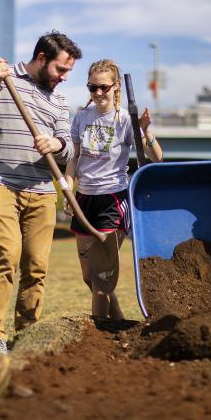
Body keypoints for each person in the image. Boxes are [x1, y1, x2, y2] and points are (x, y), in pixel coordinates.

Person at [0, 31, 82, 355]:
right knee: (7, 253)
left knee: (36, 264)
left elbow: (67, 149)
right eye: (61, 69)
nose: (65, 78)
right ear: (42, 58)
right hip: (0, 182)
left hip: (41, 190)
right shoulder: (1, 77)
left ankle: (27, 331)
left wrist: (56, 145)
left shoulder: (58, 100)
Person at [64, 59, 163, 320]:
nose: (98, 93)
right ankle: (117, 323)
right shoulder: (82, 117)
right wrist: (68, 186)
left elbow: (157, 157)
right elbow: (74, 158)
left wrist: (145, 130)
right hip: (84, 200)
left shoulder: (125, 120)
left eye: (104, 88)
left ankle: (96, 330)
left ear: (116, 87)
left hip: (112, 200)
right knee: (90, 278)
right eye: (92, 87)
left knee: (101, 280)